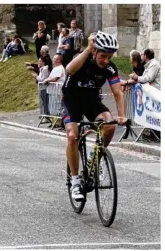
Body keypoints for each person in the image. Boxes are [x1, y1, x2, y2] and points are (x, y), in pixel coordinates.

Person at [62, 31, 128, 201]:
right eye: (103, 55)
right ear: (94, 52)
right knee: (72, 136)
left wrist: (121, 116)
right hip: (72, 101)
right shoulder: (83, 60)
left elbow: (118, 93)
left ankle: (95, 159)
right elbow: (69, 70)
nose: (106, 60)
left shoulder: (110, 68)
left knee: (110, 125)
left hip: (91, 101)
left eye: (110, 56)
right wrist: (88, 48)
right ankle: (75, 182)